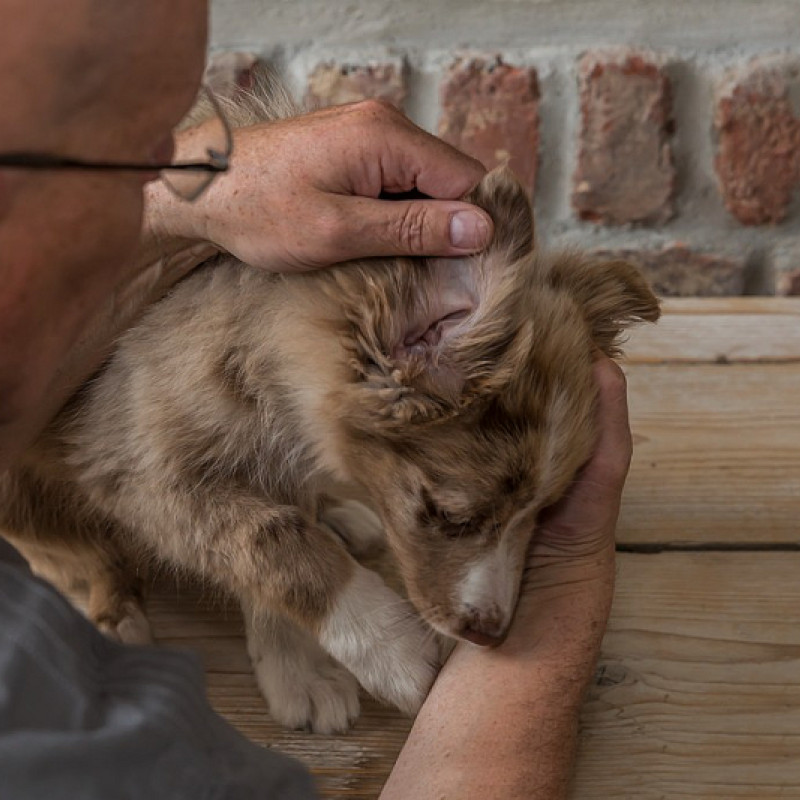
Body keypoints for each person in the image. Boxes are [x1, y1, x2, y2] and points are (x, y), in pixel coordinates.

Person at [0, 1, 631, 797]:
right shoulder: (46, 719)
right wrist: (565, 583)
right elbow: (134, 467)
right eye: (129, 155)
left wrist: (190, 197)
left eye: (168, 143)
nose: (171, 176)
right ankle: (109, 577)